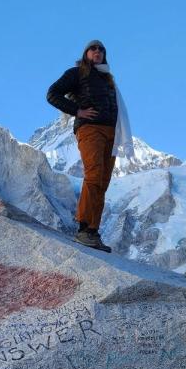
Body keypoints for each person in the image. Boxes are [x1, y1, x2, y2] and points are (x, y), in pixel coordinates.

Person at [46, 39, 131, 252]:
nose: (98, 51)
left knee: (102, 182)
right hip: (90, 129)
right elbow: (52, 94)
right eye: (93, 48)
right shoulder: (77, 73)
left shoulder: (108, 80)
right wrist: (78, 111)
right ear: (86, 53)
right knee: (93, 176)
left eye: (102, 49)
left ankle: (93, 232)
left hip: (112, 134)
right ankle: (83, 229)